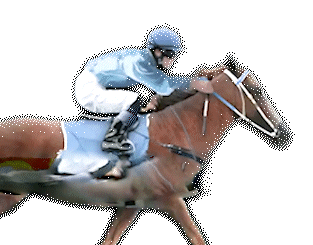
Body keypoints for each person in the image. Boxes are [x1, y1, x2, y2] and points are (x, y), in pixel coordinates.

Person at [74, 27, 214, 178]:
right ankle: (112, 139)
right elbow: (163, 86)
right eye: (171, 54)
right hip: (88, 88)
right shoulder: (138, 61)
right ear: (158, 52)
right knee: (132, 99)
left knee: (135, 102)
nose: (173, 58)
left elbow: (160, 82)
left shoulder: (144, 60)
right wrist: (193, 83)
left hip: (94, 83)